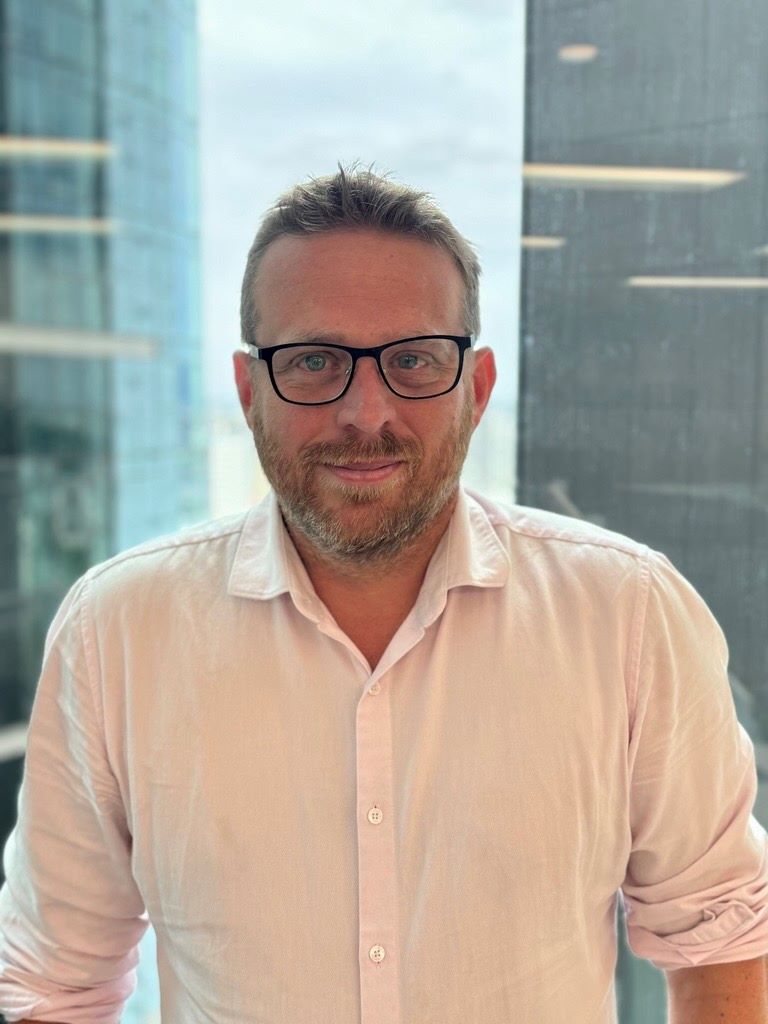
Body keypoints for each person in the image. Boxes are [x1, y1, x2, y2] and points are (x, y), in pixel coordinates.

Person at [0, 165, 766, 1024]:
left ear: (476, 390)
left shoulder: (628, 614)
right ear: (249, 393)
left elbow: (721, 929)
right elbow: (53, 982)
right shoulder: (120, 632)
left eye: (412, 360)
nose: (367, 413)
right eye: (316, 361)